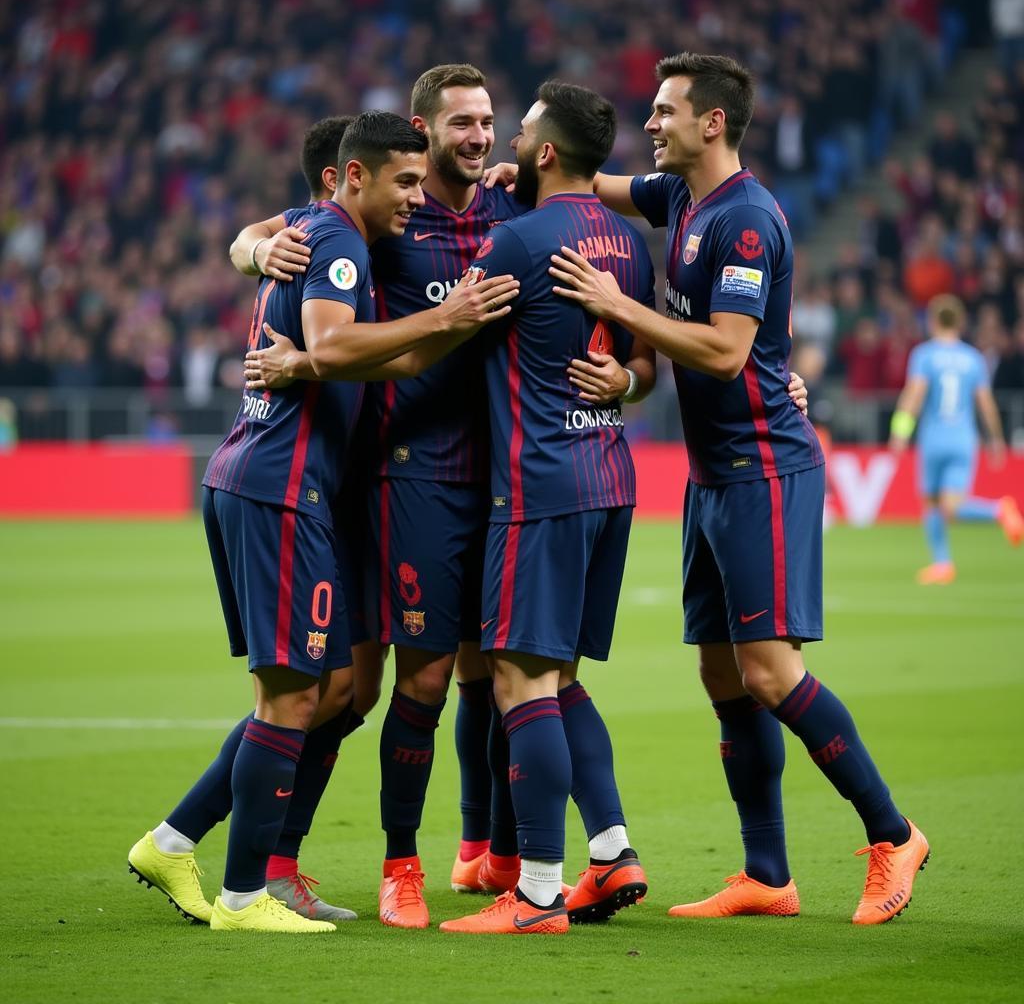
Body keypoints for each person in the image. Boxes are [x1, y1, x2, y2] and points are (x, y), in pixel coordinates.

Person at [547, 52, 930, 925]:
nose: (651, 123)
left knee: (767, 668)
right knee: (723, 671)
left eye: (664, 111)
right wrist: (528, 168)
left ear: (710, 122)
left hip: (764, 465)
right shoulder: (681, 198)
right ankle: (767, 873)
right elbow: (606, 188)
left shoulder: (748, 222)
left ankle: (891, 832)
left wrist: (620, 302)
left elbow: (722, 350)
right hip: (713, 474)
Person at [128, 111, 518, 934]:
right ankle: (241, 897)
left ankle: (173, 839)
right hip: (281, 484)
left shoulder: (314, 230)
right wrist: (443, 318)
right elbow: (336, 348)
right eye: (403, 182)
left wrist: (451, 329)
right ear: (349, 176)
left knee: (328, 688)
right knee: (295, 696)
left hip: (285, 484)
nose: (415, 198)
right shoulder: (336, 242)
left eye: (421, 182)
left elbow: (396, 357)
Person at [439, 80, 657, 936]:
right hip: (609, 472)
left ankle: (534, 895)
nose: (507, 145)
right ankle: (611, 852)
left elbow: (445, 335)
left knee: (517, 680)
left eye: (519, 131)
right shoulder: (632, 243)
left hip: (539, 484)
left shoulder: (517, 242)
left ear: (546, 152)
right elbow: (639, 363)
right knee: (562, 679)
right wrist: (630, 381)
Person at [889, 293, 1023, 584]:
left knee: (939, 505)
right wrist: (996, 439)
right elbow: (985, 402)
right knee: (946, 505)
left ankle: (997, 510)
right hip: (964, 439)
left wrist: (900, 431)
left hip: (934, 439)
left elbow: (914, 395)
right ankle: (942, 565)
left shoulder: (924, 354)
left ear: (934, 321)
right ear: (960, 322)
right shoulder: (972, 357)